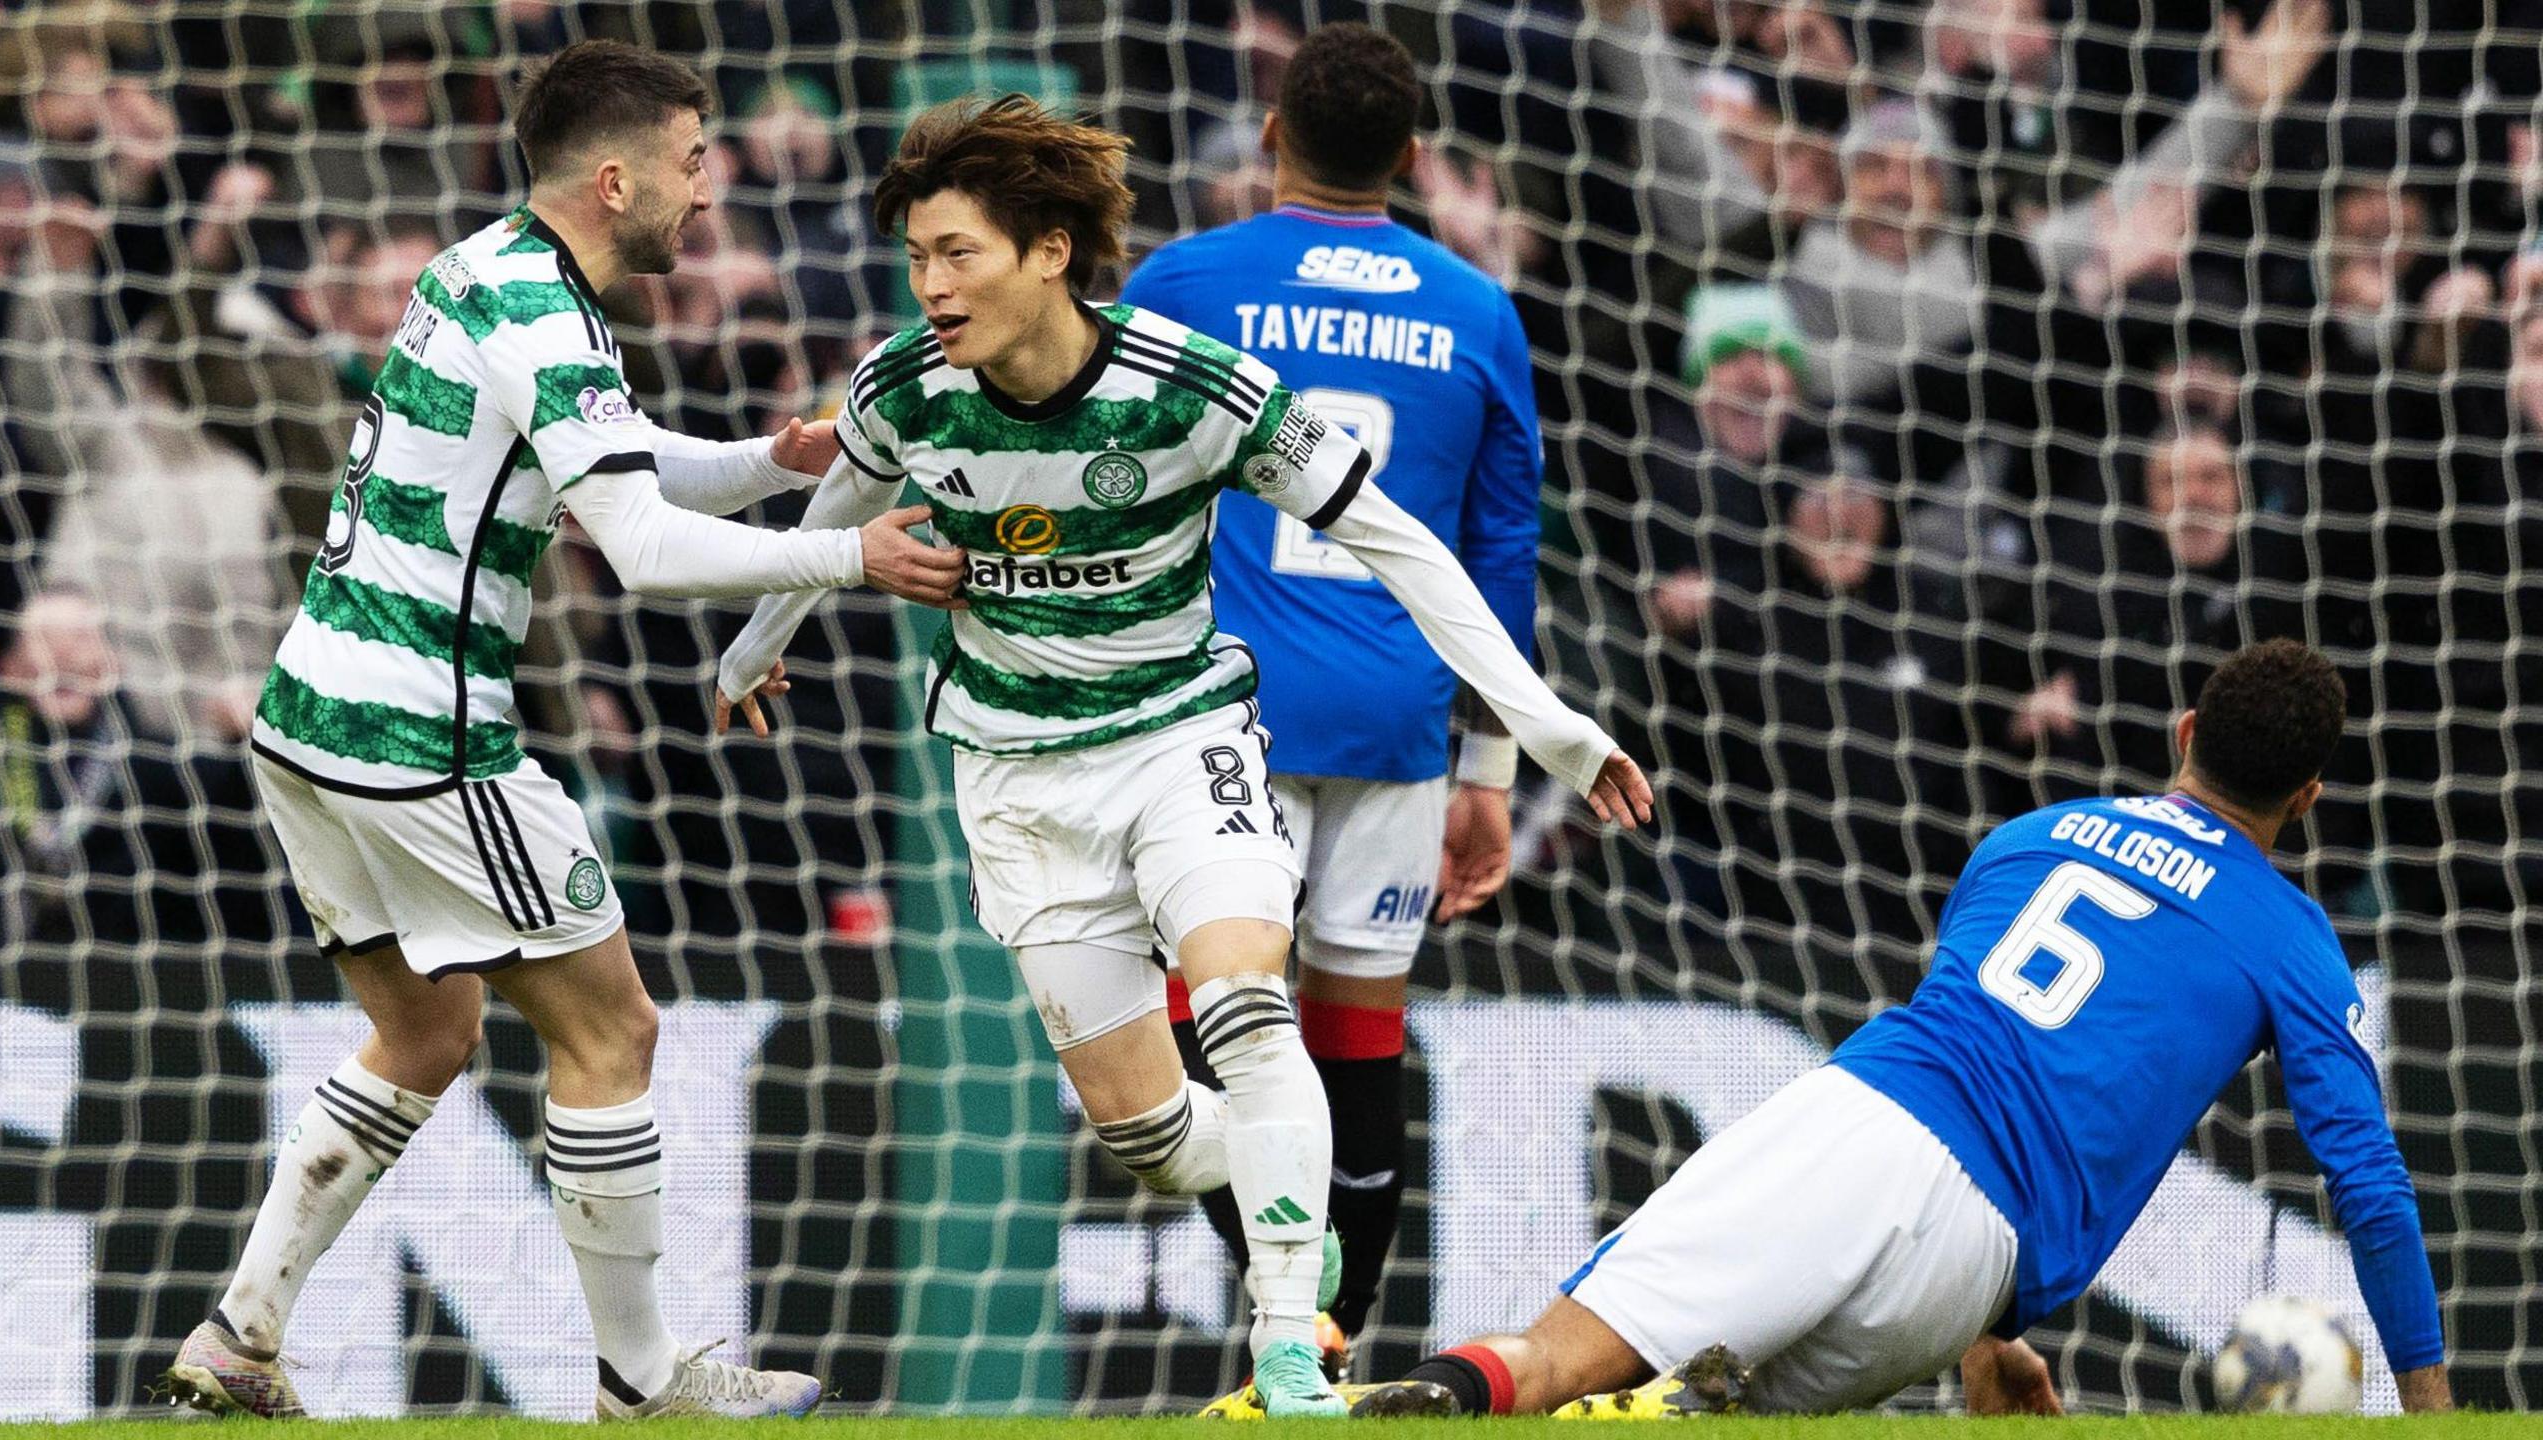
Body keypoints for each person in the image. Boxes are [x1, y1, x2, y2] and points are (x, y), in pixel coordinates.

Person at [710, 92, 1653, 1417]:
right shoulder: (905, 391)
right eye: (919, 257)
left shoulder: (1193, 388)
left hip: (1181, 740)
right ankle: (1282, 1199)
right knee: (1148, 1139)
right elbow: (834, 510)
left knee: (1249, 1005)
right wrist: (756, 645)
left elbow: (1403, 542)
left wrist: (1545, 727)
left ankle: (1286, 1338)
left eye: (958, 252)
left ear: (1049, 252)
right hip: (1017, 775)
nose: (932, 284)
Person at [162, 40, 967, 1422]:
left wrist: (773, 462)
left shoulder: (488, 268)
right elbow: (642, 550)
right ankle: (644, 1384)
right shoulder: (549, 316)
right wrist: (847, 561)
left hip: (314, 717)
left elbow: (613, 461)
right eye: (692, 161)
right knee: (616, 1029)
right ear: (615, 178)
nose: (707, 194)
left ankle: (238, 1337)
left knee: (424, 1035)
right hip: (427, 739)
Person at [1343, 640, 2449, 1418]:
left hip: (1866, 1126)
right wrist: (2433, 1407)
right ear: (2304, 800)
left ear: (2186, 731)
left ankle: (1402, 1403)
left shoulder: (2027, 840)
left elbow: (1985, 1060)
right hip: (1972, 1272)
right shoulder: (2294, 941)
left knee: (1556, 1365)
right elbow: (2371, 1190)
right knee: (1684, 1415)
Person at [1112, 22, 1547, 1375]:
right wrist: (1493, 773)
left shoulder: (1186, 282)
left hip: (1231, 720)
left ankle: (1293, 1333)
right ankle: (1327, 1347)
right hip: (1404, 725)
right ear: (1415, 158)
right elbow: (1503, 553)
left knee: (1217, 1032)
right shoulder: (1478, 310)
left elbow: (1120, 483)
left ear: (1269, 138)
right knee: (1359, 1039)